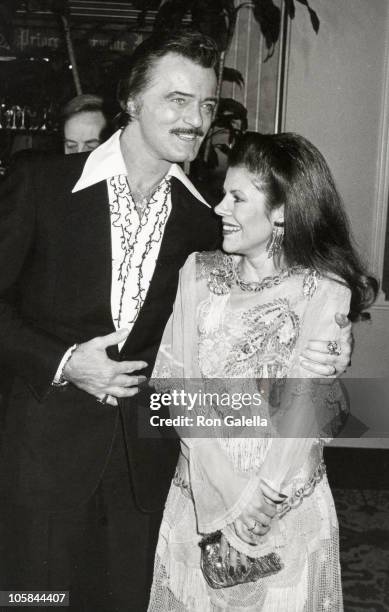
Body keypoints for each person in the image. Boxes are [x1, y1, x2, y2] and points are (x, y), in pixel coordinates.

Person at [0, 30, 350, 611]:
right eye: (178, 99)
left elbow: (288, 282)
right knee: (33, 599)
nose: (196, 119)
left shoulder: (203, 219)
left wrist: (334, 342)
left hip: (150, 473)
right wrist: (62, 361)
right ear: (132, 101)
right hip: (42, 461)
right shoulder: (41, 185)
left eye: (207, 104)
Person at [148, 132, 378, 612]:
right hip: (199, 491)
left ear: (282, 212)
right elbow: (174, 381)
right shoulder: (198, 272)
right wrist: (230, 496)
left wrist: (263, 500)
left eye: (237, 197)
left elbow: (304, 411)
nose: (219, 208)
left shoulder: (322, 290)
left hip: (282, 504)